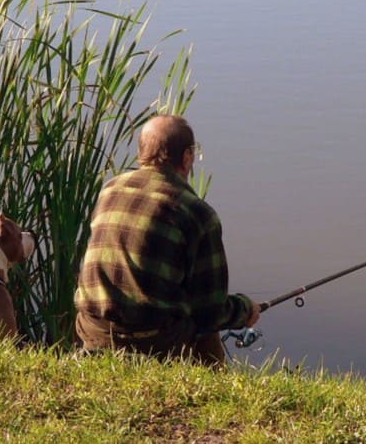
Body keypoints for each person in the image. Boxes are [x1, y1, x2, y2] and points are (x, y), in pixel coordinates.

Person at [74, 114, 260, 366]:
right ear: (186, 157)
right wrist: (245, 310)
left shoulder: (110, 189)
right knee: (204, 324)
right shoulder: (198, 214)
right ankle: (215, 391)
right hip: (152, 341)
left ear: (141, 152)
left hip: (93, 329)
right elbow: (210, 311)